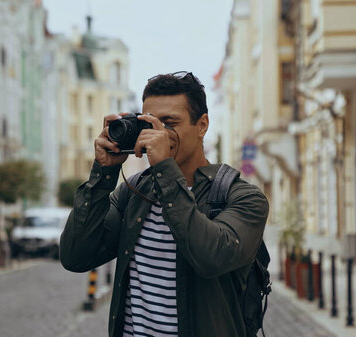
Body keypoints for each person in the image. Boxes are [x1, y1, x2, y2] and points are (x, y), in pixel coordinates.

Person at [60, 72, 269, 337]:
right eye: (150, 124)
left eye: (169, 123)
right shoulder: (134, 193)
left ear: (202, 125)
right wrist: (103, 174)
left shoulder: (243, 197)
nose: (158, 134)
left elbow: (211, 258)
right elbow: (76, 256)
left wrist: (164, 170)